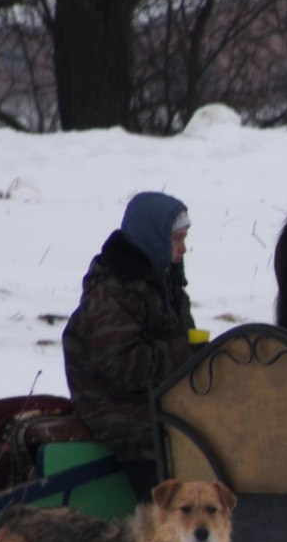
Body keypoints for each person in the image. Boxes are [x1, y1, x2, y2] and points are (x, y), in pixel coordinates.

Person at [63, 190, 197, 499]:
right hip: (117, 412)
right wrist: (185, 353)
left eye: (184, 239)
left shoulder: (164, 280)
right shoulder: (111, 292)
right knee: (169, 483)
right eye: (177, 240)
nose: (183, 249)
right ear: (154, 239)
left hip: (157, 403)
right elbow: (124, 367)